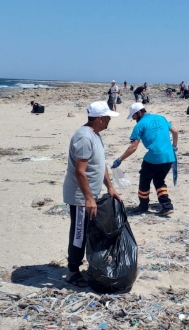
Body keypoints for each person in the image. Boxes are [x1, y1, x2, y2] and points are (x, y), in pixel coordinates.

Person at [62, 101, 121, 287]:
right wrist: (88, 198)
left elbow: (101, 164)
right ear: (100, 118)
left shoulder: (95, 135)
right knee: (78, 233)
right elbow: (80, 171)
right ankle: (72, 272)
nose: (110, 121)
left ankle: (84, 265)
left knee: (88, 231)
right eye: (108, 117)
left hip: (91, 194)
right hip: (80, 197)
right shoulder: (84, 138)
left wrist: (110, 187)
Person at [112, 103, 178, 216]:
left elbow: (133, 146)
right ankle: (167, 206)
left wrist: (120, 159)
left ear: (139, 113)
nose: (133, 119)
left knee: (144, 181)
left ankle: (143, 206)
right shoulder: (161, 118)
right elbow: (175, 132)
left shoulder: (140, 125)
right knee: (159, 180)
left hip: (154, 157)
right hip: (169, 156)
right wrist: (174, 147)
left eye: (133, 116)